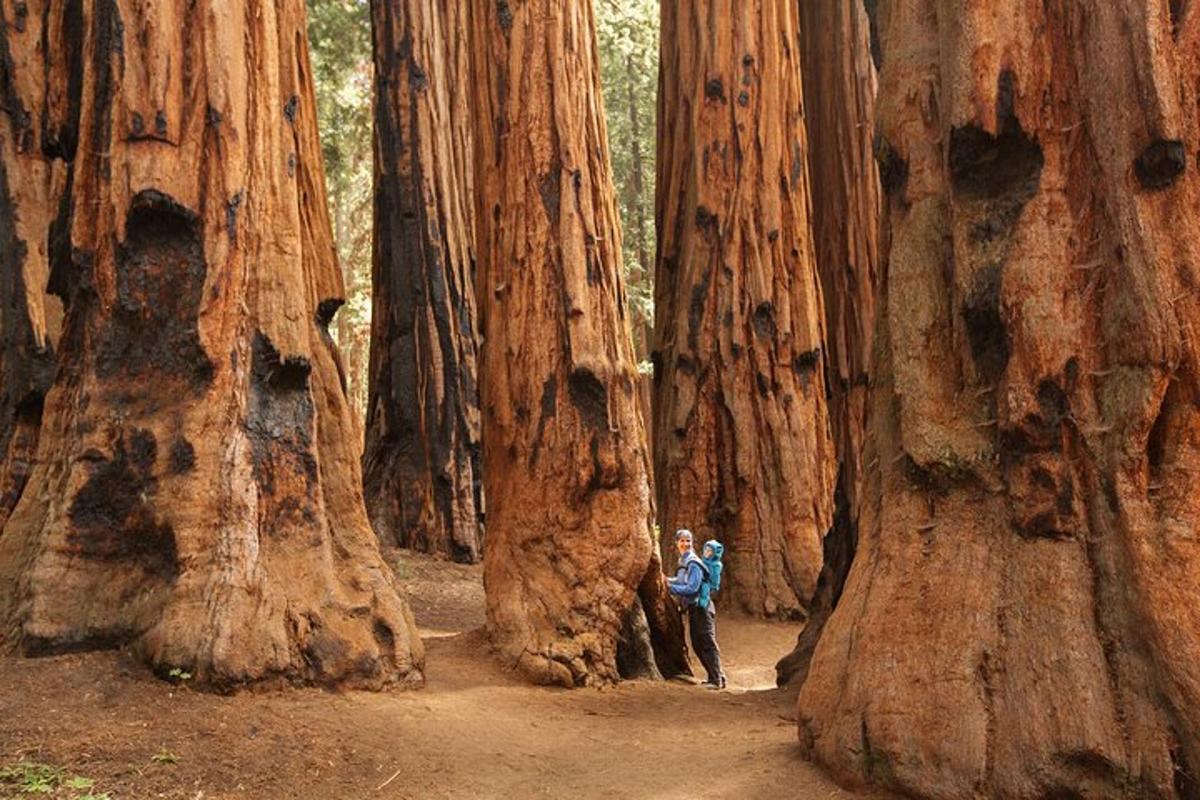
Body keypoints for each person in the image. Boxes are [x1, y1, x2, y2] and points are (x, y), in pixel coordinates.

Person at [666, 529, 726, 689]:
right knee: (698, 644)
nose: (685, 544)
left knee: (706, 642)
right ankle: (716, 676)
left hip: (703, 608)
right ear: (676, 543)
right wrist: (666, 581)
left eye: (688, 541)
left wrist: (671, 589)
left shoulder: (693, 562)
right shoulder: (684, 561)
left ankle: (716, 680)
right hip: (695, 609)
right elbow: (681, 581)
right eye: (682, 541)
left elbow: (692, 587)